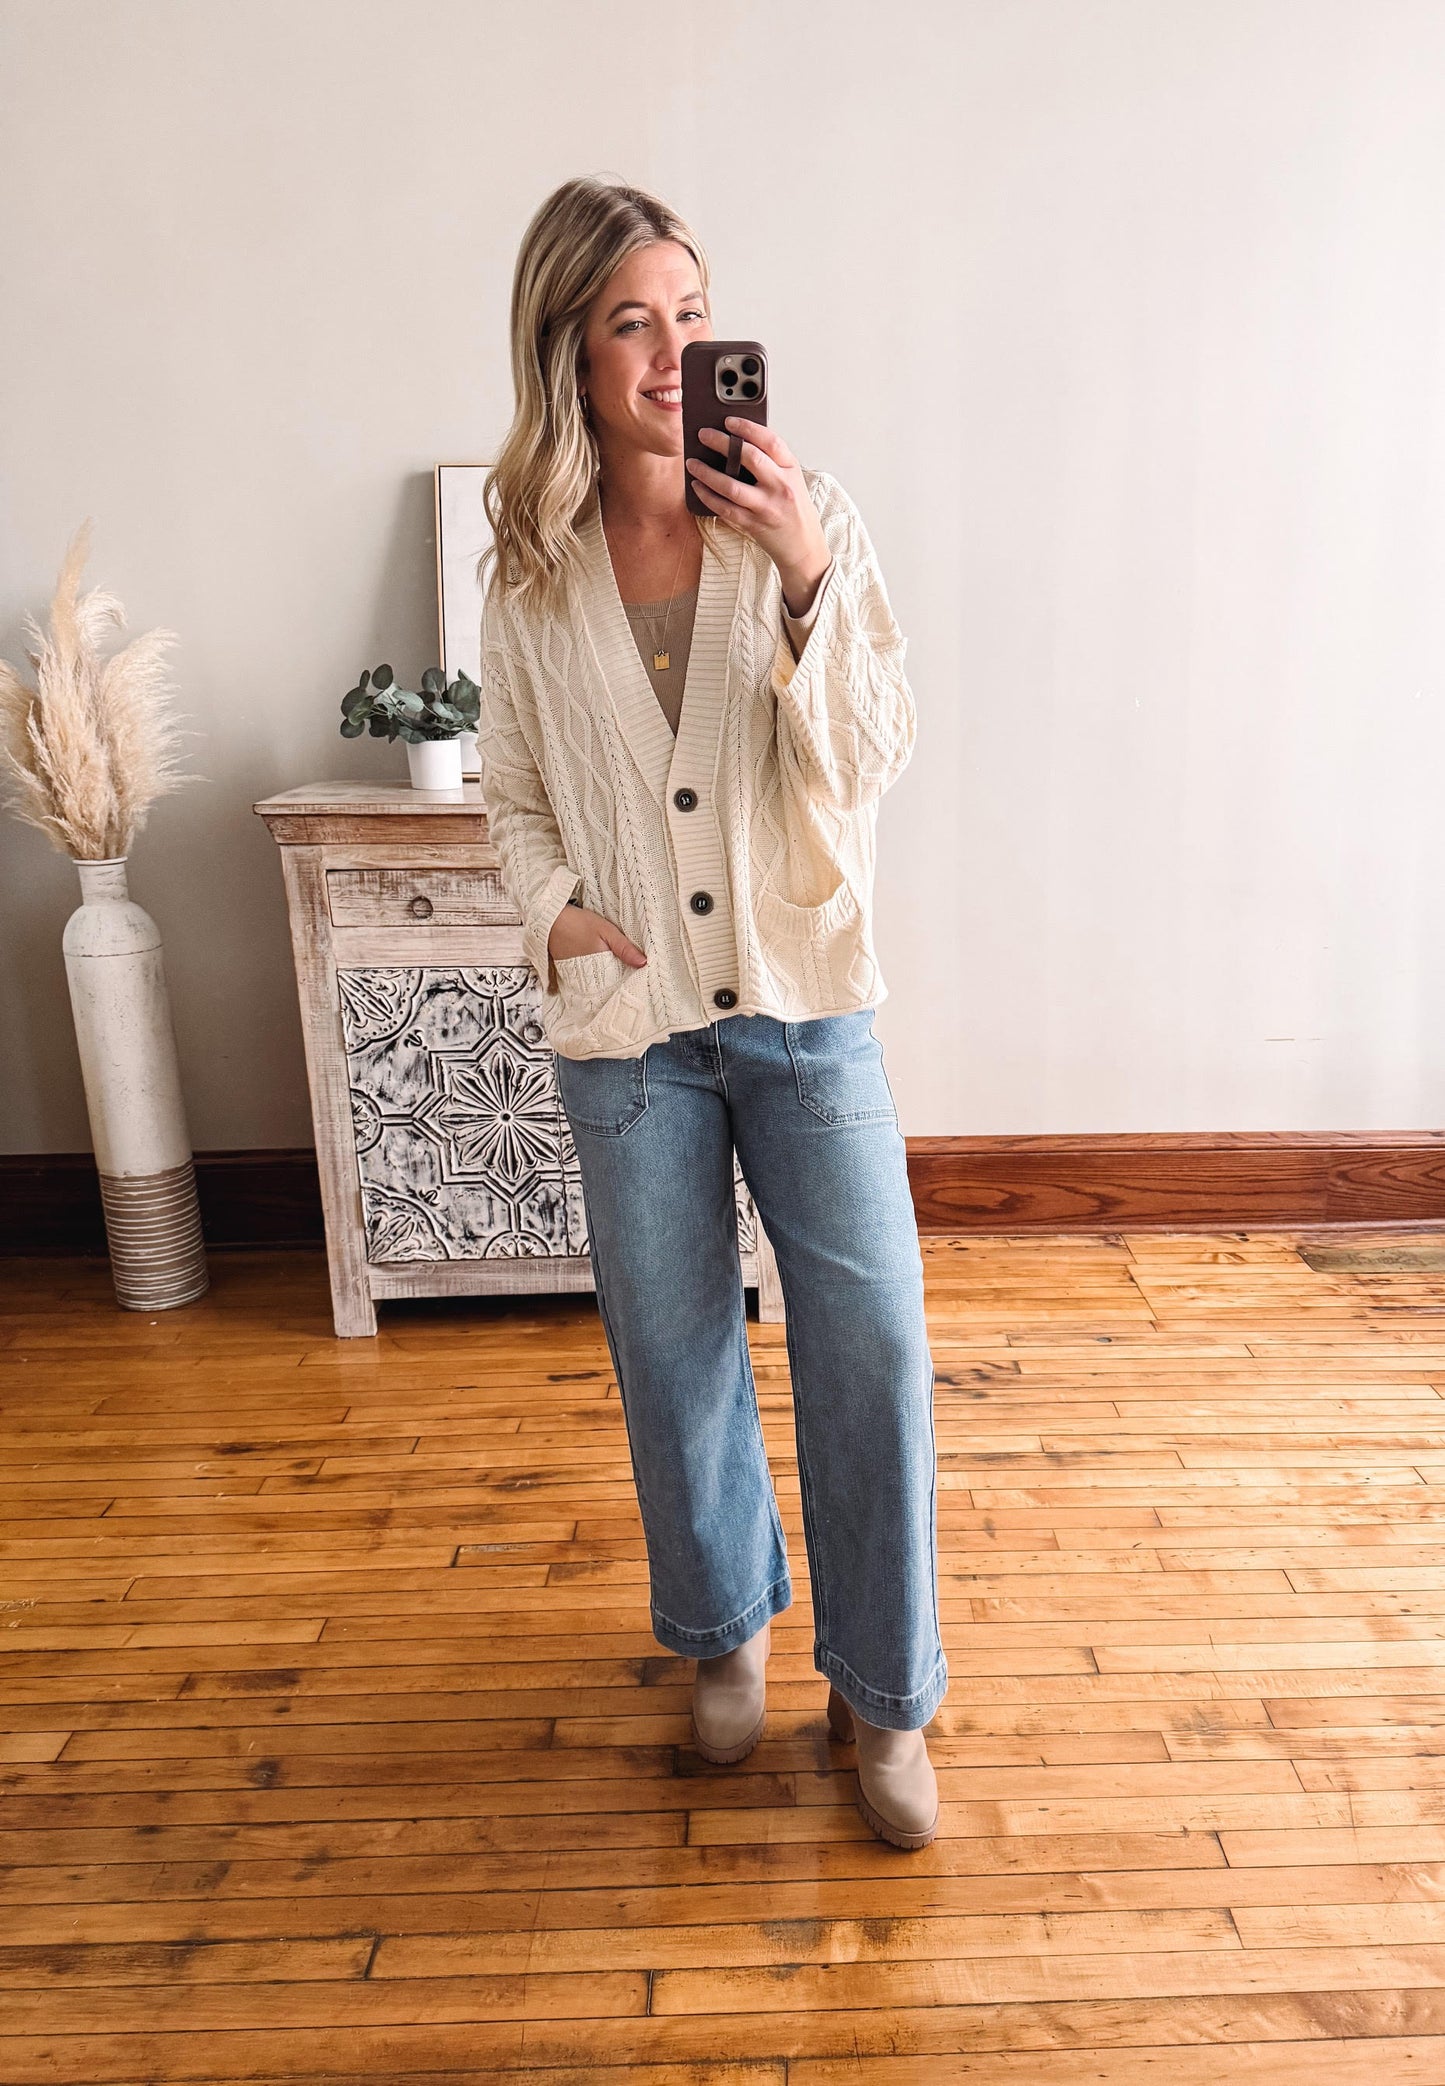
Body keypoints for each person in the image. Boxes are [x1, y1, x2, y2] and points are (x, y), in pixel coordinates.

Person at [477, 174, 946, 1849]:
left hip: (804, 1002)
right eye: (629, 319)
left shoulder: (802, 507)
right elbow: (512, 788)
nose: (672, 350)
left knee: (871, 1348)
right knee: (672, 1358)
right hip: (629, 1024)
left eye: (690, 312)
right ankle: (723, 1627)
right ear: (568, 350)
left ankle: (885, 1691)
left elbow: (871, 755)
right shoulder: (528, 565)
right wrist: (557, 915)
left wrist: (805, 573)